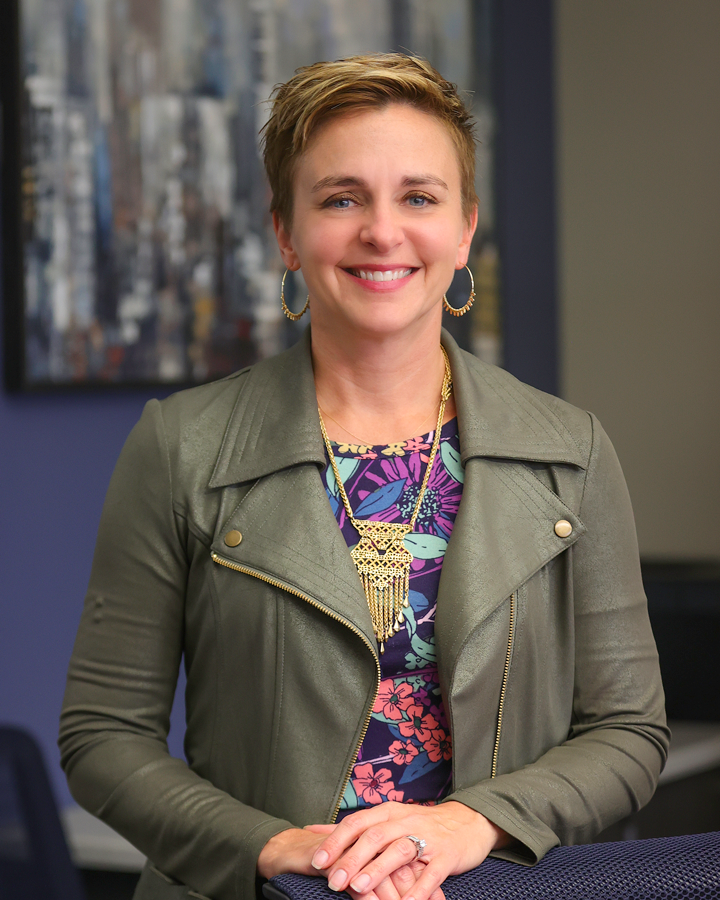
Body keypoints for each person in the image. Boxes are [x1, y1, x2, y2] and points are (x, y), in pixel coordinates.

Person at [59, 54, 669, 900]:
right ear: (286, 230)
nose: (382, 232)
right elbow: (102, 736)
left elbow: (629, 731)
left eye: (419, 197)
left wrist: (477, 822)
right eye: (341, 198)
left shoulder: (572, 451)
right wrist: (274, 850)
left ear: (465, 229)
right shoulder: (181, 447)